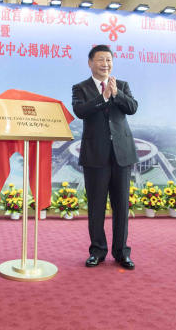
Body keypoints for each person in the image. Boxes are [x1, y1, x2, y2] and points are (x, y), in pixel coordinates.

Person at [71, 44, 138, 269]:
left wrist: (116, 93)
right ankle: (97, 251)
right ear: (90, 63)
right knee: (96, 207)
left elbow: (132, 108)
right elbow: (81, 111)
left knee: (121, 207)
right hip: (95, 155)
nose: (105, 64)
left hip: (122, 154)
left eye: (108, 60)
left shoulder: (122, 85)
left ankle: (122, 252)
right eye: (100, 60)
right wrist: (103, 96)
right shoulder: (80, 88)